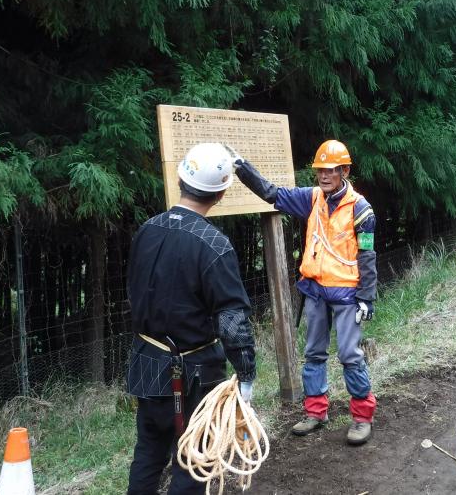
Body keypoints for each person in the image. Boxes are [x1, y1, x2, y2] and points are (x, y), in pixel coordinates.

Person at [227, 139, 378, 446]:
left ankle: (362, 417)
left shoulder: (361, 209)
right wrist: (242, 169)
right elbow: (272, 193)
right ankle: (316, 412)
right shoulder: (311, 199)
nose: (324, 176)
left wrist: (366, 296)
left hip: (348, 293)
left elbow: (367, 255)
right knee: (313, 354)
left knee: (350, 355)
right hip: (316, 291)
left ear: (345, 171)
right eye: (320, 170)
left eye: (331, 170)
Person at [126, 142, 257, 495]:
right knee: (192, 461)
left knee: (148, 454)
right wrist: (245, 375)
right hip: (193, 373)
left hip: (145, 363)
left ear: (181, 178)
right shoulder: (214, 245)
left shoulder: (147, 230)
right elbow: (232, 323)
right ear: (222, 191)